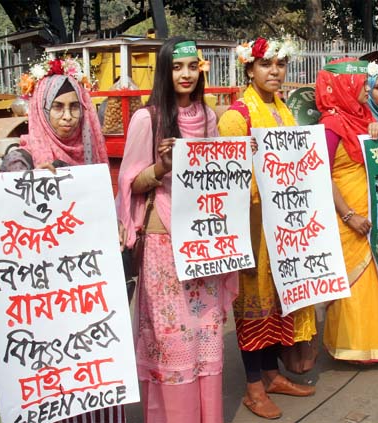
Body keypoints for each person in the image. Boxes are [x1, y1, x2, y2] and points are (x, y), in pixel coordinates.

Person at [116, 37, 238, 423]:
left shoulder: (210, 116)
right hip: (163, 241)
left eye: (191, 66)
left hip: (204, 242)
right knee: (172, 335)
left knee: (204, 332)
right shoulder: (146, 119)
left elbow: (219, 177)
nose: (185, 74)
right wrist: (162, 167)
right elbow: (130, 182)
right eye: (176, 67)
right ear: (165, 71)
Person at [1, 58, 125, 423]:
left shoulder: (92, 160)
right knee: (56, 387)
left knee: (93, 380)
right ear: (41, 110)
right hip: (46, 307)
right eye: (57, 107)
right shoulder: (20, 160)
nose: (67, 116)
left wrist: (114, 225)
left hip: (88, 303)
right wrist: (31, 182)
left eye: (75, 107)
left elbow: (105, 212)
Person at [218, 37, 316, 420]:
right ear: (249, 69)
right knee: (252, 307)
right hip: (253, 228)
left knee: (278, 302)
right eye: (265, 64)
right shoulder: (236, 116)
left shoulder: (283, 110)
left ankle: (273, 375)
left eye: (280, 64)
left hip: (284, 228)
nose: (275, 72)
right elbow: (229, 185)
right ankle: (253, 388)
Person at [315, 57, 378, 364]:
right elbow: (320, 175)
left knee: (376, 284)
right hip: (347, 217)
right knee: (354, 284)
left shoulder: (362, 118)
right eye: (362, 85)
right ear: (345, 86)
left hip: (374, 213)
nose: (367, 90)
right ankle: (351, 347)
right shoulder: (329, 126)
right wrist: (349, 215)